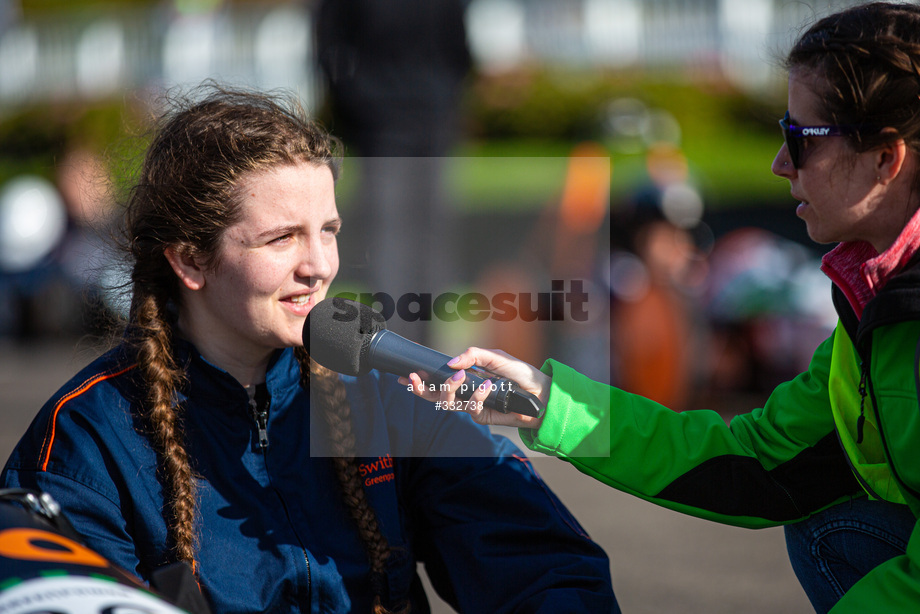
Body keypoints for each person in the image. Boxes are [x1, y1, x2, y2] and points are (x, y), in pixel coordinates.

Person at [0, 86, 618, 613]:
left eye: (329, 230)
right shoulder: (88, 436)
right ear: (190, 259)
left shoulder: (390, 390)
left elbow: (549, 569)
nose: (319, 266)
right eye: (281, 238)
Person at [405, 3, 920, 613]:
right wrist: (545, 404)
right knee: (827, 518)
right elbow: (754, 464)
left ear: (886, 159)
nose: (780, 164)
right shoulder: (872, 298)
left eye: (798, 140)